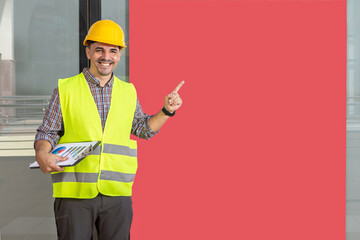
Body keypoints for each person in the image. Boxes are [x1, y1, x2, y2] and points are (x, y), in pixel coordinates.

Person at [34, 19, 184, 240]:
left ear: (119, 55)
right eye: (99, 50)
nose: (106, 57)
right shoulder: (65, 89)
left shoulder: (128, 92)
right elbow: (47, 132)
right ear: (88, 52)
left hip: (117, 194)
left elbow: (143, 129)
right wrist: (42, 153)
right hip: (74, 194)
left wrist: (166, 111)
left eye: (113, 51)